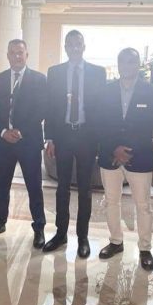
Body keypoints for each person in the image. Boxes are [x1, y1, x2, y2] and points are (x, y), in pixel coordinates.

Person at [42, 29, 106, 258]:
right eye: (70, 44)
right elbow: (50, 107)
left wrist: (99, 142)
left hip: (87, 137)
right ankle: (60, 234)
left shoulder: (98, 73)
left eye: (78, 44)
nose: (74, 48)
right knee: (62, 188)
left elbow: (101, 108)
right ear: (66, 47)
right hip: (63, 136)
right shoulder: (55, 72)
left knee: (85, 190)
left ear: (84, 46)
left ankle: (83, 237)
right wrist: (49, 137)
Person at [97, 48, 153, 271]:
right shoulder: (105, 91)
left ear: (139, 64)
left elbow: (152, 126)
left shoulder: (151, 92)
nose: (127, 65)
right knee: (111, 201)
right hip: (110, 156)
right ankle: (116, 242)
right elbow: (99, 122)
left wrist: (127, 150)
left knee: (143, 205)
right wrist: (114, 149)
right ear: (118, 64)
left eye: (132, 61)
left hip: (140, 156)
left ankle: (145, 248)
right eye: (123, 61)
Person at [0, 39, 46, 248]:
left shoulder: (39, 80)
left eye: (20, 52)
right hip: (4, 143)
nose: (17, 56)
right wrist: (2, 131)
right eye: (13, 53)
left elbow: (41, 110)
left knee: (34, 186)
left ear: (27, 55)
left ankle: (39, 228)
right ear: (8, 56)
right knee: (2, 184)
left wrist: (20, 131)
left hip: (29, 142)